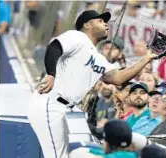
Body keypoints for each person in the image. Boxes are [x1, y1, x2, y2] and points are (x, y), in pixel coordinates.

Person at [28, 10, 158, 158]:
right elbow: (54, 47)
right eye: (100, 21)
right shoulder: (77, 36)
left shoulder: (98, 57)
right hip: (50, 101)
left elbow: (118, 78)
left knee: (68, 154)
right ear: (87, 24)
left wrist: (147, 58)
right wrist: (51, 74)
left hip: (65, 108)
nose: (106, 24)